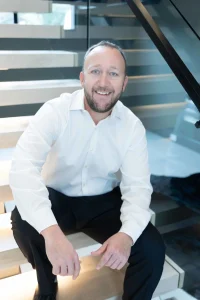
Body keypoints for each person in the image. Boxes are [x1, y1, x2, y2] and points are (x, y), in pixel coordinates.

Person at [9, 41, 165, 300]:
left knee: (152, 248)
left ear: (124, 83)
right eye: (95, 71)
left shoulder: (132, 127)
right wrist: (51, 232)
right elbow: (23, 168)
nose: (103, 82)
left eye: (113, 73)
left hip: (102, 201)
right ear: (82, 77)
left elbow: (137, 187)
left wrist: (126, 235)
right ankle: (47, 285)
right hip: (56, 197)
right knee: (23, 222)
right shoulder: (55, 111)